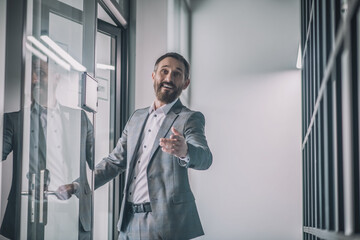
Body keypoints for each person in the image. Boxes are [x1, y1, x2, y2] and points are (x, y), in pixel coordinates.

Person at [58, 52, 213, 240]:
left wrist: (185, 151)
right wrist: (77, 186)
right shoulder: (137, 117)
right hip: (128, 221)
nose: (169, 78)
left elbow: (205, 158)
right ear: (154, 75)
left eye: (177, 73)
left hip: (167, 225)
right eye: (164, 71)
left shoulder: (189, 118)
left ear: (185, 83)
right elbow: (114, 162)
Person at [1, 56, 93, 240]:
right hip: (32, 214)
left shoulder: (80, 119)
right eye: (32, 74)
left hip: (74, 213)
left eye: (41, 73)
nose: (34, 79)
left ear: (56, 77)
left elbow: (100, 164)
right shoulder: (14, 121)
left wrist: (75, 186)